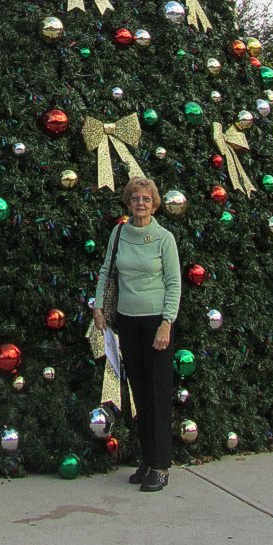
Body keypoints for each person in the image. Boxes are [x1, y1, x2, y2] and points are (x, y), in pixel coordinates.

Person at [92, 175, 181, 491]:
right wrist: (99, 307)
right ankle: (147, 459)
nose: (140, 204)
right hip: (127, 321)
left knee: (158, 394)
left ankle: (161, 465)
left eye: (145, 199)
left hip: (156, 323)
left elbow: (174, 283)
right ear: (128, 203)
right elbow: (107, 271)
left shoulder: (164, 239)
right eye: (135, 198)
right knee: (139, 393)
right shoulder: (119, 233)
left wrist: (167, 323)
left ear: (154, 204)